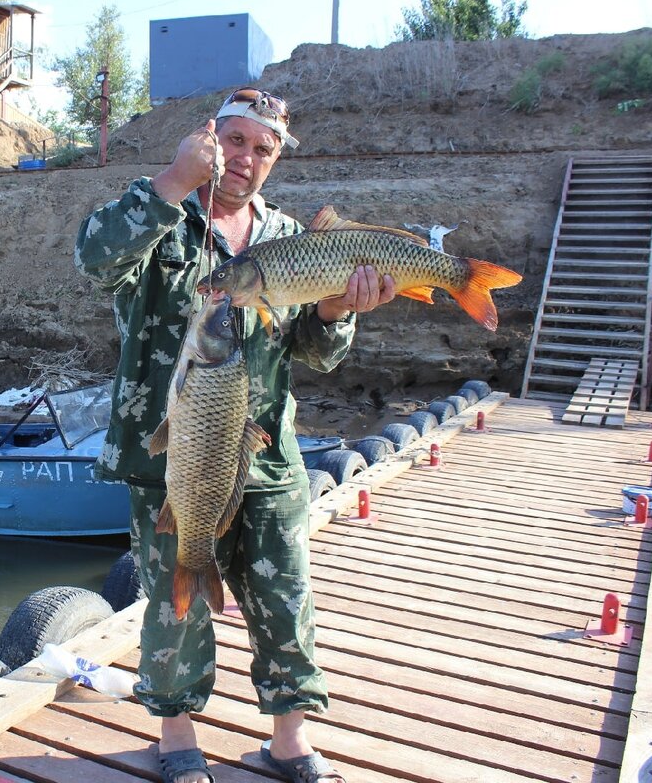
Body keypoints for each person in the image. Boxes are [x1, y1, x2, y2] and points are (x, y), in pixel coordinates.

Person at [74, 89, 396, 783]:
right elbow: (94, 259)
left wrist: (339, 307)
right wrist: (173, 181)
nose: (246, 158)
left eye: (264, 148)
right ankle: (177, 737)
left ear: (275, 160)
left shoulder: (288, 241)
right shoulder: (162, 213)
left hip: (265, 448)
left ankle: (288, 740)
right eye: (236, 139)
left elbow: (316, 351)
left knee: (287, 594)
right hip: (171, 450)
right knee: (172, 595)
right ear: (209, 137)